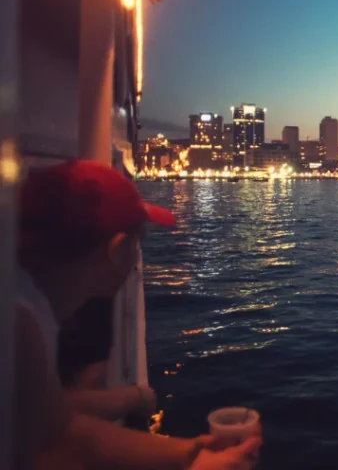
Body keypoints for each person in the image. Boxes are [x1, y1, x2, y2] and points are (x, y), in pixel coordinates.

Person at [15, 160, 260, 470]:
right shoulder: (17, 327)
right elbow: (52, 453)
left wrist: (189, 452)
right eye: (138, 242)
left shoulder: (26, 298)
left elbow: (59, 429)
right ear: (117, 250)